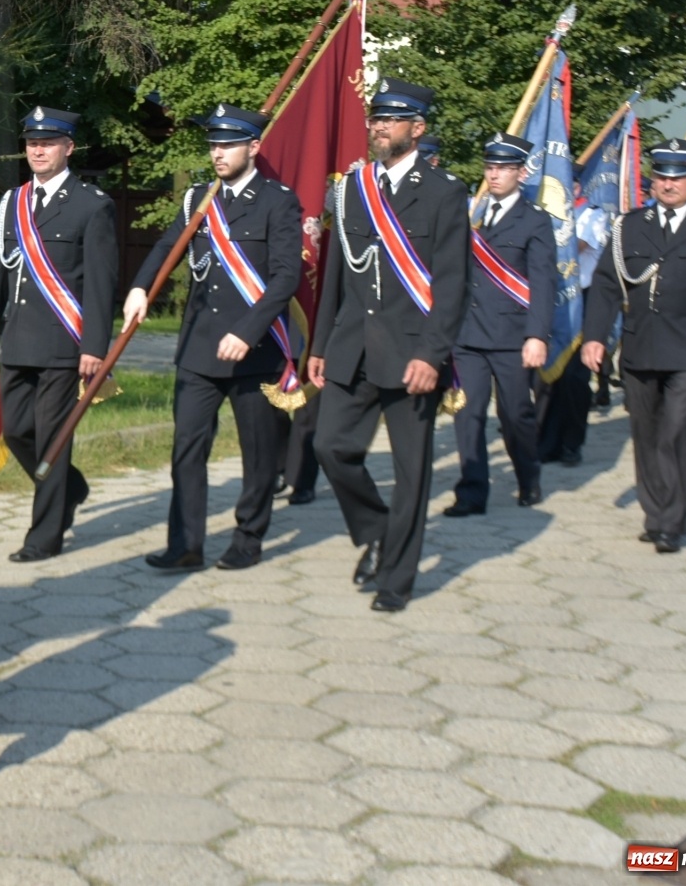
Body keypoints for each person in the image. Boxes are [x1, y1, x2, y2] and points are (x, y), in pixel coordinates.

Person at [308, 78, 469, 612]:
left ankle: (396, 579)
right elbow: (335, 269)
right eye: (375, 118)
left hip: (411, 354)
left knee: (411, 472)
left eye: (392, 119)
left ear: (417, 129)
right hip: (352, 346)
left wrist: (433, 354)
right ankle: (377, 529)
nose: (379, 126)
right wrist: (319, 342)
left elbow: (451, 283)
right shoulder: (352, 188)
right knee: (329, 445)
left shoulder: (445, 192)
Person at [123, 105, 302, 571]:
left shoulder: (277, 201)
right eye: (213, 145)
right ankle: (185, 544)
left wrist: (247, 331)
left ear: (253, 147)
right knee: (187, 448)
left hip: (255, 352)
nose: (217, 153)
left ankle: (248, 537)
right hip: (200, 347)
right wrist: (141, 287)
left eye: (227, 145)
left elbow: (285, 278)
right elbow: (166, 248)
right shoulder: (200, 199)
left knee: (258, 454)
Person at [582, 138, 686, 553]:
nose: (668, 184)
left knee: (675, 434)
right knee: (647, 434)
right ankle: (659, 514)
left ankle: (670, 522)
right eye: (661, 176)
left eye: (678, 177)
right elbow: (604, 285)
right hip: (640, 348)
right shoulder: (630, 226)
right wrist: (596, 336)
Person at [0, 106, 118, 562]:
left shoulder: (92, 205)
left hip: (65, 345)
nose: (37, 150)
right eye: (31, 143)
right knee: (14, 429)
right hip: (20, 341)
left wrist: (95, 348)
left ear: (69, 148)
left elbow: (102, 286)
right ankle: (72, 488)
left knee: (51, 440)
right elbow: (1, 273)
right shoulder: (13, 202)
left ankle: (44, 535)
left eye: (47, 143)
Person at [446, 132, 556, 516]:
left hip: (512, 336)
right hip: (469, 335)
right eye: (490, 167)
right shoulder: (470, 213)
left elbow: (543, 282)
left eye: (503, 169)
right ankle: (471, 492)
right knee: (468, 414)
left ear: (521, 173)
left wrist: (537, 335)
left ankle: (529, 476)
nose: (494, 175)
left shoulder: (535, 221)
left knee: (515, 415)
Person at [539, 177, 613, 459]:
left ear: (579, 188)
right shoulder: (544, 214)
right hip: (552, 297)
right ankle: (546, 441)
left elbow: (576, 246)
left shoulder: (592, 215)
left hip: (581, 298)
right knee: (546, 376)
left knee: (573, 377)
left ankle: (572, 443)